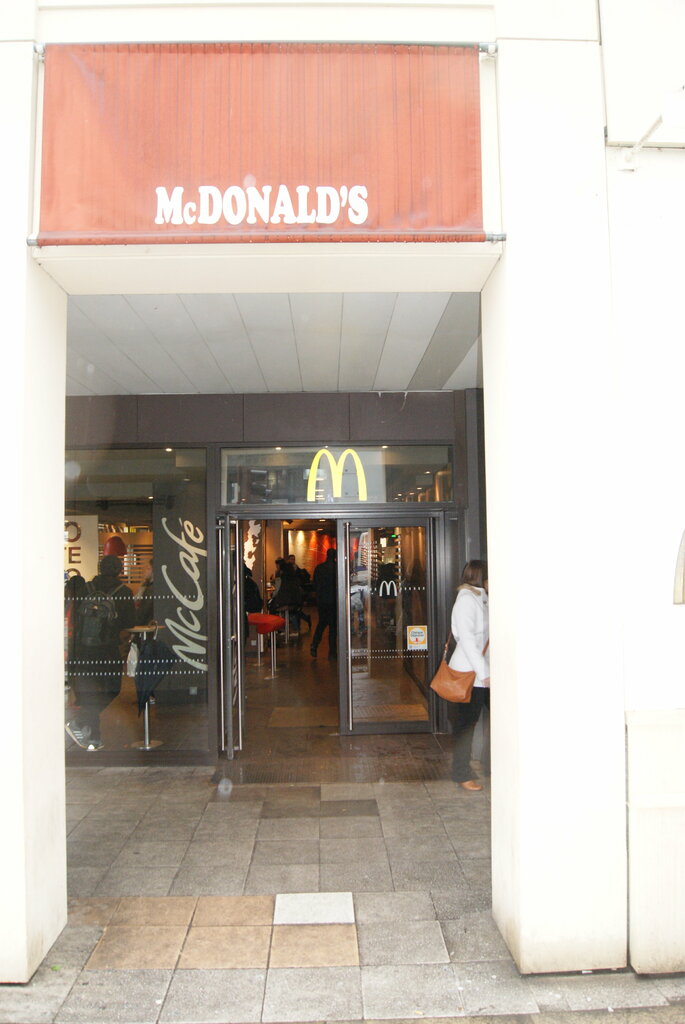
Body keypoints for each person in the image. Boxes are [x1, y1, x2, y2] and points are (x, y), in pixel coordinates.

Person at [65, 554, 136, 751]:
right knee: (112, 689)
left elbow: (76, 617)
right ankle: (82, 723)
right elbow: (130, 622)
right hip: (107, 649)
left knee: (89, 693)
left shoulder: (86, 588)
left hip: (84, 649)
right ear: (119, 570)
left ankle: (94, 738)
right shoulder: (124, 592)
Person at [446, 559, 490, 791]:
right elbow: (468, 640)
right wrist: (484, 672)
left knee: (492, 719)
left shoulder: (482, 598)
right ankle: (461, 773)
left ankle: (489, 765)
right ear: (482, 578)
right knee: (466, 724)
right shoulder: (466, 600)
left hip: (482, 670)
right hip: (470, 672)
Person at [310, 548, 337, 659]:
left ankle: (314, 644)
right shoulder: (337, 568)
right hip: (334, 600)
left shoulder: (319, 568)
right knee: (333, 627)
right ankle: (332, 652)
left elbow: (315, 584)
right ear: (335, 556)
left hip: (322, 601)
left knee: (321, 623)